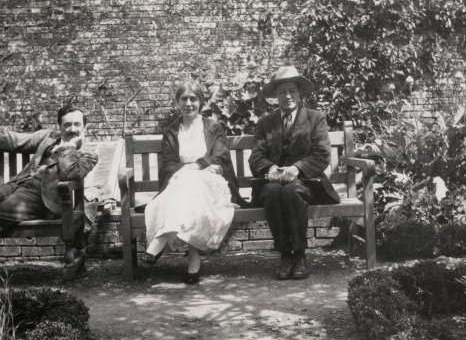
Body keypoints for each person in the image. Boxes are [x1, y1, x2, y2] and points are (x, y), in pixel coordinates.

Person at [0, 104, 98, 285]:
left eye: (77, 124)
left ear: (85, 127)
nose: (72, 129)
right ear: (59, 127)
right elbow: (11, 140)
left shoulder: (88, 154)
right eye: (67, 124)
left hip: (41, 199)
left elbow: (71, 174)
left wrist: (68, 148)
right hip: (18, 183)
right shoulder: (47, 137)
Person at [142, 81, 245, 284]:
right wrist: (188, 171)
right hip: (183, 184)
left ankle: (159, 241)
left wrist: (195, 167)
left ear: (201, 102)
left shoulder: (213, 127)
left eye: (193, 99)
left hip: (212, 183)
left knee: (189, 182)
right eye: (184, 99)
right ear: (177, 102)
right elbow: (168, 164)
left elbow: (221, 156)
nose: (188, 103)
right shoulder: (171, 131)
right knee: (188, 190)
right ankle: (193, 261)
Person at [249, 66, 340, 280]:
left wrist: (297, 169)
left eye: (292, 90)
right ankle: (285, 255)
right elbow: (256, 156)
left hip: (308, 183)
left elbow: (322, 154)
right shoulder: (266, 123)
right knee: (272, 192)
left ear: (299, 93)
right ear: (276, 96)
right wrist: (269, 168)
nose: (287, 96)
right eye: (282, 92)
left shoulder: (315, 118)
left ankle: (299, 255)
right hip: (274, 183)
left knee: (292, 191)